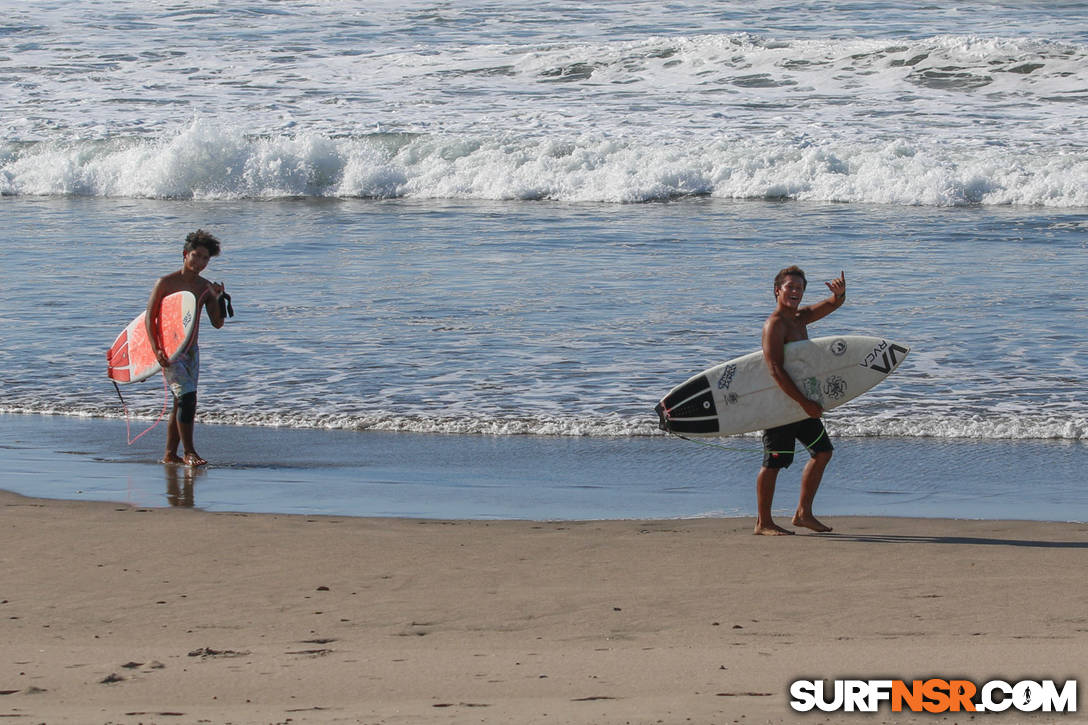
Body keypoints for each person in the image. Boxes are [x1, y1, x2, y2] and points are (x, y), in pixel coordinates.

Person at [754, 266, 846, 536]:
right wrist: (805, 404)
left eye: (800, 288)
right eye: (790, 287)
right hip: (781, 406)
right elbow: (775, 369)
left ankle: (803, 513)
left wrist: (840, 295)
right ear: (777, 290)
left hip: (800, 403)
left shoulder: (799, 319)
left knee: (823, 452)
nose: (795, 292)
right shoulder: (775, 325)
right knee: (774, 462)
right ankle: (763, 522)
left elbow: (831, 305)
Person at [146, 229, 227, 466]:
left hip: (191, 351)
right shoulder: (165, 283)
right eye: (197, 255)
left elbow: (218, 323)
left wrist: (218, 298)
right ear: (185, 254)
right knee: (188, 399)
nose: (201, 262)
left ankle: (170, 454)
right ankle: (190, 452)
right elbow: (149, 318)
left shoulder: (204, 287)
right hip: (170, 351)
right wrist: (156, 349)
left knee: (180, 400)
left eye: (205, 259)